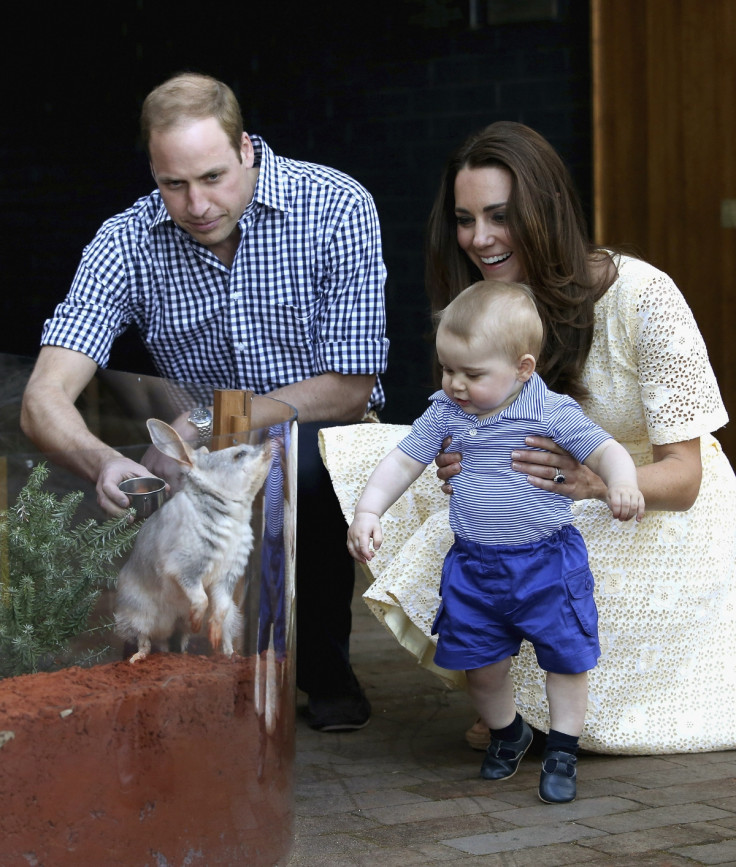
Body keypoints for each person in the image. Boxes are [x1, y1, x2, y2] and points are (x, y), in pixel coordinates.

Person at [319, 120, 736, 757]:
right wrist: (459, 463)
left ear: (545, 212)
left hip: (650, 506)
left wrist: (596, 483)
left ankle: (551, 715)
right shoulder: (482, 306)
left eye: (499, 216)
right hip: (537, 492)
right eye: (465, 219)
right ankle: (506, 702)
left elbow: (686, 477)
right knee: (403, 482)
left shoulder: (644, 296)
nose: (479, 238)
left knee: (543, 558)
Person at [20, 72, 389, 732]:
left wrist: (216, 417)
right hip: (203, 447)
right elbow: (43, 398)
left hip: (325, 429)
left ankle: (319, 669)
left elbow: (352, 383)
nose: (196, 204)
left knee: (294, 469)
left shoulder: (336, 204)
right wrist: (101, 460)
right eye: (174, 184)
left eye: (214, 176)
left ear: (247, 148)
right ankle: (189, 678)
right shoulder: (127, 240)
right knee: (163, 492)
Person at [347, 280, 644, 802]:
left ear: (522, 368)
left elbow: (606, 451)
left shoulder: (549, 411)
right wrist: (369, 509)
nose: (456, 384)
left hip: (546, 561)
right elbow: (401, 461)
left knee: (566, 658)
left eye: (472, 374)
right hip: (475, 565)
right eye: (448, 368)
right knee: (479, 666)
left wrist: (621, 483)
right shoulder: (446, 412)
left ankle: (563, 750)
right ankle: (509, 732)